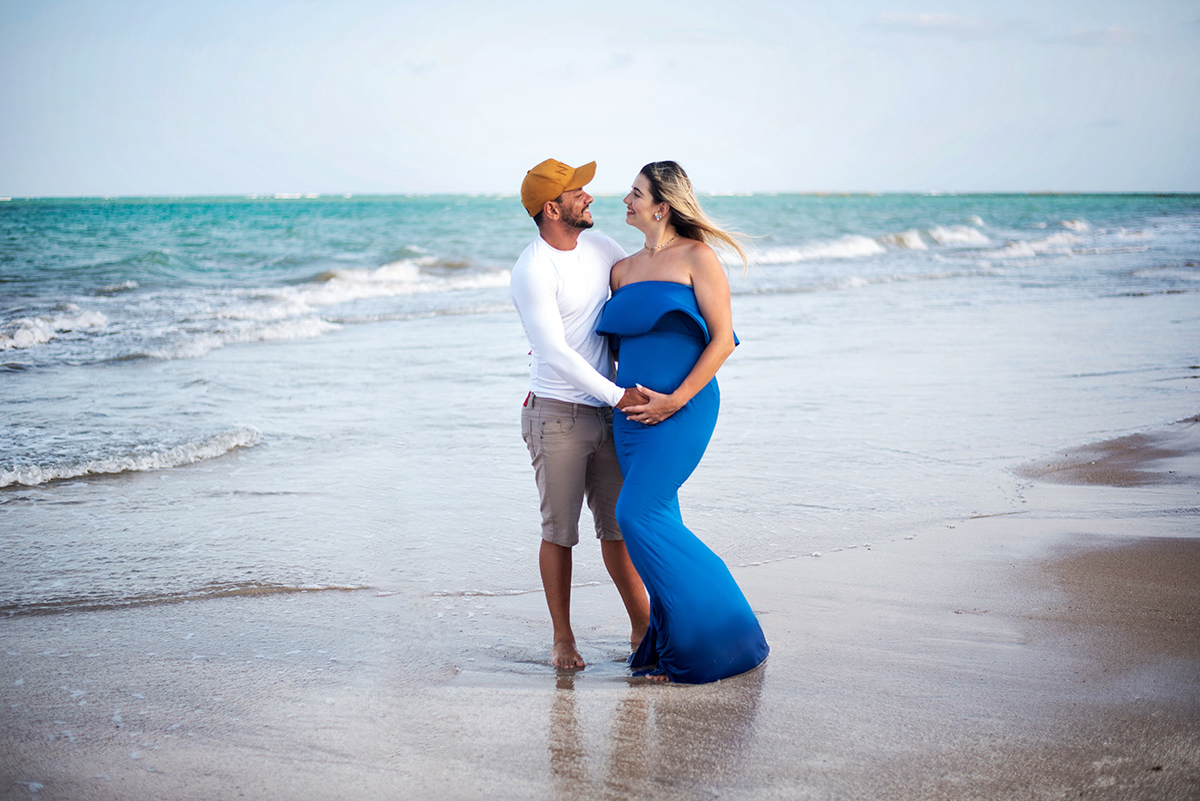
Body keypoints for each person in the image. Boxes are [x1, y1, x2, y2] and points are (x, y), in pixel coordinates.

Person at [597, 161, 770, 683]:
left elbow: (722, 340)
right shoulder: (621, 270)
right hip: (629, 419)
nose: (625, 200)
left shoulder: (698, 257)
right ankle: (670, 646)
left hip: (685, 408)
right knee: (658, 519)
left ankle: (727, 632)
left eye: (635, 193)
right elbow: (607, 347)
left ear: (661, 205)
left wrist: (674, 400)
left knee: (636, 516)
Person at [510, 158, 652, 670]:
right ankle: (563, 638)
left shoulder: (599, 246)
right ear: (552, 208)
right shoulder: (533, 270)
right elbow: (554, 352)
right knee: (560, 532)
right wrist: (617, 395)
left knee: (618, 528)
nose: (589, 196)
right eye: (577, 192)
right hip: (557, 416)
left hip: (607, 411)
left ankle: (643, 628)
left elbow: (640, 275)